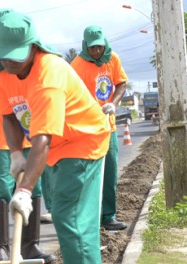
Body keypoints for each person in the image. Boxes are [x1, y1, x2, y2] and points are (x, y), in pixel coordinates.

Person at [0, 12, 110, 264]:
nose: (10, 63)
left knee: (71, 218)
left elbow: (41, 138)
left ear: (34, 47)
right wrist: (16, 153)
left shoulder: (49, 75)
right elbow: (8, 115)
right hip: (55, 147)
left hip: (83, 140)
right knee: (63, 215)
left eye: (16, 57)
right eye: (4, 57)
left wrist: (25, 190)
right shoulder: (0, 72)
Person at [0, 9, 55, 264]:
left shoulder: (31, 57)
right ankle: (0, 248)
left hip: (30, 133)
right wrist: (7, 108)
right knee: (1, 187)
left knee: (34, 184)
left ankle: (30, 246)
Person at [71, 25, 128, 232]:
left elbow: (121, 83)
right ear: (85, 46)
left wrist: (113, 103)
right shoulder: (76, 66)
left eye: (100, 47)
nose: (97, 52)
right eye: (93, 48)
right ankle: (86, 218)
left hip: (108, 126)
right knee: (86, 175)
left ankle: (108, 216)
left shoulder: (112, 59)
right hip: (86, 129)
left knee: (110, 172)